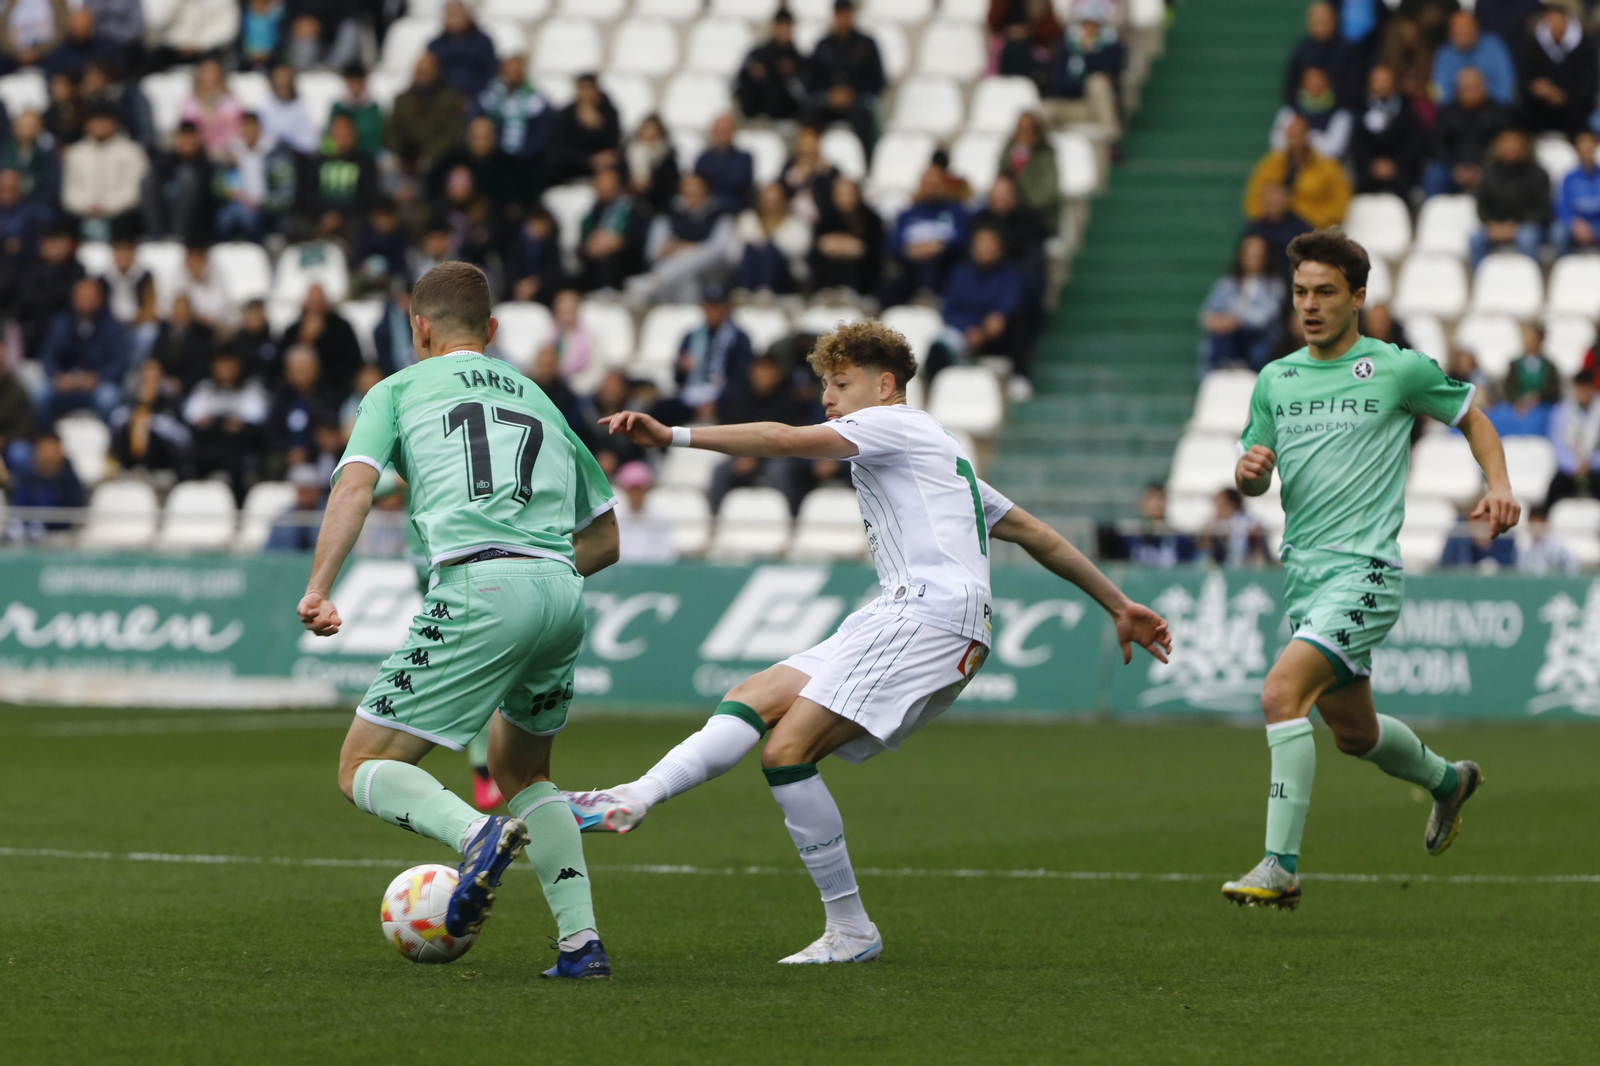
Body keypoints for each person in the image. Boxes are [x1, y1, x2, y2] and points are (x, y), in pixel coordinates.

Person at [565, 319, 1171, 963]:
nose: (828, 395)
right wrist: (1120, 603)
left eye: (842, 382)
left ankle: (850, 929)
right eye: (825, 383)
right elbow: (1035, 533)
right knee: (755, 695)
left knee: (786, 750)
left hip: (930, 616)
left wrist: (673, 435)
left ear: (886, 386)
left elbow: (780, 439)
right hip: (906, 613)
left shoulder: (893, 425)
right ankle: (634, 797)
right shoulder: (938, 451)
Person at [297, 261, 620, 979]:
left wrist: (320, 585)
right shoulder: (539, 397)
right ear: (493, 331)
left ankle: (476, 835)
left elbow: (354, 487)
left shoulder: (398, 388)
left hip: (480, 585)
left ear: (419, 328)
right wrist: (542, 573)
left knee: (362, 766)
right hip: (563, 592)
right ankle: (581, 944)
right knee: (525, 770)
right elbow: (606, 540)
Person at [1224, 229, 1517, 909]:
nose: (1311, 305)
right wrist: (1247, 472)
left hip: (1366, 572)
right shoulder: (1276, 379)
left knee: (1279, 694)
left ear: (1358, 297)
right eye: (1301, 292)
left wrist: (1498, 483)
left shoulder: (1395, 369)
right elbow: (1252, 475)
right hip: (1305, 578)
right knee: (1355, 734)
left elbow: (1474, 419)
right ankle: (1449, 781)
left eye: (1325, 292)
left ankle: (1280, 865)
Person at [33, 275, 127, 421]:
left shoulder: (113, 326)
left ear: (100, 298)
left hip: (96, 386)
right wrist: (57, 376)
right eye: (82, 297)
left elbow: (119, 363)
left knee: (109, 397)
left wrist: (98, 377)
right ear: (73, 299)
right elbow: (47, 356)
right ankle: (48, 439)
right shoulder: (61, 323)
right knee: (39, 394)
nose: (86, 302)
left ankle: (110, 442)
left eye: (91, 297)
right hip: (66, 385)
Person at [631, 172, 734, 306]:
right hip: (680, 276)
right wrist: (670, 251)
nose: (691, 191)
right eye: (687, 187)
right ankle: (688, 314)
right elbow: (653, 252)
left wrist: (685, 248)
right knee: (688, 279)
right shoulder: (667, 216)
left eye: (696, 187)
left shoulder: (721, 215)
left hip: (713, 272)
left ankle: (656, 280)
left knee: (707, 255)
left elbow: (719, 250)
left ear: (705, 189)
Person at [183, 347, 270, 494]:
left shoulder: (251, 388)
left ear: (239, 365)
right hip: (208, 448)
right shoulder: (204, 388)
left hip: (240, 451)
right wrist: (225, 424)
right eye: (221, 363)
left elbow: (252, 422)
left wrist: (215, 423)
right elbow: (194, 419)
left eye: (230, 363)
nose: (226, 368)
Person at [805, 0, 885, 158]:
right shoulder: (823, 45)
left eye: (846, 13)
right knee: (809, 112)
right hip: (828, 100)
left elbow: (878, 81)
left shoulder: (867, 44)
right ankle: (809, 160)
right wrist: (831, 93)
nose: (842, 18)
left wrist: (852, 93)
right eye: (839, 14)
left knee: (865, 116)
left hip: (858, 101)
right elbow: (812, 81)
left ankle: (868, 161)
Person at [1243, 115, 1350, 230]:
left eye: (1298, 135)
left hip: (1313, 230)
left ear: (1307, 135)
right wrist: (1271, 214)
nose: (1295, 140)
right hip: (1273, 228)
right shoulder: (1271, 163)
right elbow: (1253, 201)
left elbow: (1339, 207)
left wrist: (1305, 215)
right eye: (1291, 135)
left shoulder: (1328, 167)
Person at [1201, 234, 1287, 372]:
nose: (1254, 260)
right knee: (1219, 339)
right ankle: (1221, 372)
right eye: (1249, 255)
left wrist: (1235, 320)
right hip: (1228, 341)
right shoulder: (1226, 284)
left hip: (1258, 342)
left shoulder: (1274, 286)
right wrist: (1220, 321)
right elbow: (1206, 317)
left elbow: (1263, 320)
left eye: (1258, 256)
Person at [1423, 67, 1512, 198]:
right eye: (1465, 88)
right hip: (1454, 168)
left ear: (1484, 87)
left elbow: (1503, 146)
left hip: (1488, 168)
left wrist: (1481, 169)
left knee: (1506, 170)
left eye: (1473, 87)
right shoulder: (1447, 113)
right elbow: (1438, 145)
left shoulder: (1499, 113)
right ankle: (1433, 215)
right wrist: (1456, 168)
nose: (1469, 92)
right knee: (1435, 173)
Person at [60, 104, 145, 237]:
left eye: (104, 120)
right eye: (94, 120)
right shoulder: (75, 153)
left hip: (120, 215)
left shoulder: (132, 151)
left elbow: (135, 191)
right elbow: (68, 193)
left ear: (114, 123)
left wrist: (107, 207)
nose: (99, 125)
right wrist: (89, 207)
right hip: (82, 214)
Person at [888, 165, 970, 303]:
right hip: (911, 268)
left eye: (935, 185)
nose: (930, 189)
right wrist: (912, 250)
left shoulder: (956, 212)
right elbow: (893, 244)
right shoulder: (907, 215)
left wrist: (939, 247)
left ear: (943, 185)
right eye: (927, 185)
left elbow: (963, 239)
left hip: (945, 267)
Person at [1469, 129, 1549, 268]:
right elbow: (1482, 207)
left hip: (1525, 226)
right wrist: (1492, 225)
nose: (1510, 147)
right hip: (1495, 226)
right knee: (1475, 239)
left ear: (1524, 147)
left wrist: (1514, 227)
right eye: (1506, 143)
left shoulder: (1538, 174)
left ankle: (1533, 280)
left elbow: (1542, 209)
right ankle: (1479, 281)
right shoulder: (1488, 174)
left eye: (1514, 143)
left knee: (1527, 238)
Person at [1514, 3, 1596, 137]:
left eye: (1560, 22)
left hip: (1575, 111)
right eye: (1552, 21)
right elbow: (1524, 80)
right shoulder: (1531, 46)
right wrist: (1538, 89)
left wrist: (1562, 96)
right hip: (1539, 109)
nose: (1556, 27)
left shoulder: (1584, 47)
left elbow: (1588, 84)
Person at [676, 282, 753, 419]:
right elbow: (678, 377)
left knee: (738, 407)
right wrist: (681, 368)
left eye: (717, 306)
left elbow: (741, 377)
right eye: (709, 306)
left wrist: (717, 402)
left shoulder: (739, 338)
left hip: (724, 396)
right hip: (693, 393)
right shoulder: (691, 336)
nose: (713, 311)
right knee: (662, 408)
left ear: (726, 308)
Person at [385, 53, 466, 174]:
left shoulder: (450, 99)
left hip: (438, 160)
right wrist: (403, 153)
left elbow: (452, 133)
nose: (423, 76)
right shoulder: (401, 100)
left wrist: (428, 155)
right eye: (420, 71)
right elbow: (391, 131)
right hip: (405, 160)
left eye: (427, 71)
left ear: (436, 72)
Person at [1349, 64, 1421, 196]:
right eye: (1378, 81)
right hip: (1370, 168)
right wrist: (1373, 164)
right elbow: (1357, 144)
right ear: (1370, 84)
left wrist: (1394, 165)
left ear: (1393, 83)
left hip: (1398, 168)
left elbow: (1412, 143)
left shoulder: (1406, 109)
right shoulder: (1360, 110)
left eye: (1386, 81)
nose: (1382, 85)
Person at [732, 181, 810, 296]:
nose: (770, 206)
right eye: (766, 201)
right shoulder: (747, 220)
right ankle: (744, 292)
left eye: (775, 201)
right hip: (750, 271)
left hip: (785, 276)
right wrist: (757, 245)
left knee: (770, 249)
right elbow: (733, 254)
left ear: (784, 201)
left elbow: (801, 249)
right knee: (750, 248)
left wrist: (771, 241)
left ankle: (766, 292)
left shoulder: (796, 223)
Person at [807, 176, 881, 297]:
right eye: (840, 194)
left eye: (848, 193)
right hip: (828, 276)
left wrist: (850, 246)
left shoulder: (872, 220)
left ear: (857, 194)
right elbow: (817, 247)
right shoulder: (826, 219)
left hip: (863, 281)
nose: (844, 198)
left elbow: (873, 249)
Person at [7, 429, 83, 537]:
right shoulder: (26, 478)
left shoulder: (70, 482)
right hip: (27, 537)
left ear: (60, 451)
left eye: (52, 449)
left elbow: (75, 513)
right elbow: (18, 508)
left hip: (61, 538)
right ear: (36, 451)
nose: (48, 455)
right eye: (44, 449)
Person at [1430, 10, 1515, 106]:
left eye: (1467, 30)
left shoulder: (1494, 46)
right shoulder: (1444, 54)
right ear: (1451, 34)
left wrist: (1478, 92)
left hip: (1493, 108)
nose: (1464, 36)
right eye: (1459, 32)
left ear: (1477, 30)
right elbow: (1439, 93)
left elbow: (1507, 87)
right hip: (1456, 111)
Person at [1283, 2, 1357, 109]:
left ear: (1334, 21)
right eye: (1317, 21)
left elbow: (1352, 87)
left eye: (1325, 21)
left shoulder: (1346, 50)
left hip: (1338, 109)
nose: (1321, 26)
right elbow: (1289, 88)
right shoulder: (1301, 50)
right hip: (1303, 109)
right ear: (1309, 23)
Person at [551, 74, 620, 187]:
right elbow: (559, 147)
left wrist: (599, 127)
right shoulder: (566, 114)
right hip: (569, 168)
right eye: (582, 88)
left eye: (589, 87)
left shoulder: (609, 113)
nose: (586, 93)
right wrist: (589, 160)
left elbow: (612, 146)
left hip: (600, 169)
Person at [737, 10, 806, 122]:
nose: (784, 30)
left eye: (787, 25)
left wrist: (791, 76)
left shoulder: (799, 59)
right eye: (780, 25)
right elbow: (741, 80)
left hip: (789, 115)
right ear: (774, 27)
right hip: (759, 113)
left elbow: (803, 91)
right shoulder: (758, 55)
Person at [1271, 66, 1352, 160]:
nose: (1315, 83)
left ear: (1328, 82)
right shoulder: (1289, 112)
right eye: (1310, 79)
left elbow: (1334, 149)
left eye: (1319, 79)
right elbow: (1277, 144)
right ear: (1302, 83)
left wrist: (1302, 138)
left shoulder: (1341, 114)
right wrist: (1318, 138)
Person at [1488, 334, 1561, 438]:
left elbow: (1553, 390)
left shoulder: (1549, 365)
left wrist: (1538, 397)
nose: (1528, 342)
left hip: (1542, 406)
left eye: (1532, 339)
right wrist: (1518, 401)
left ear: (1540, 342)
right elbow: (1509, 388)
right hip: (1517, 406)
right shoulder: (1515, 364)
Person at [996, 111, 1060, 228]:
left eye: (1025, 130)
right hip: (1008, 213)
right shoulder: (1008, 152)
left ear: (1036, 133)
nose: (1021, 135)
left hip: (1038, 216)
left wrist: (1021, 204)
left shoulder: (1045, 156)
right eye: (1018, 129)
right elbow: (1000, 181)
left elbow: (1049, 192)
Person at [1546, 370, 1600, 504]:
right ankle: (1544, 519)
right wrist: (1573, 465)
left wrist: (1591, 464)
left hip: (1595, 468)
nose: (1582, 391)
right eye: (1579, 387)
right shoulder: (1561, 411)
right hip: (1569, 468)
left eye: (1586, 387)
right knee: (1555, 487)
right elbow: (1557, 446)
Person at [427, 1, 497, 102]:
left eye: (455, 15)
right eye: (449, 15)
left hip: (477, 98)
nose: (452, 20)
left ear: (467, 16)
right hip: (442, 100)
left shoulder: (483, 43)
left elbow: (490, 74)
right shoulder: (435, 45)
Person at [611, 459, 677, 564]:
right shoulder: (612, 517)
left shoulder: (661, 517)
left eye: (640, 488)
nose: (636, 493)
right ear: (623, 489)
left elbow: (665, 553)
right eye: (631, 488)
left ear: (648, 489)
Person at [1245, 183, 1312, 280]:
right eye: (1269, 201)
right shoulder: (1255, 229)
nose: (1273, 203)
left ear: (1287, 200)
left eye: (1276, 200)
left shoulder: (1301, 228)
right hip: (1263, 284)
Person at [695, 114, 754, 213]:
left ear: (733, 133)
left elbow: (741, 184)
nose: (722, 136)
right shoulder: (703, 158)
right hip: (708, 211)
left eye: (725, 131)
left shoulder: (744, 158)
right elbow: (699, 186)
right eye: (718, 132)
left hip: (737, 209)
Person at [1554, 129, 1600, 257]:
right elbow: (1562, 207)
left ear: (1595, 145)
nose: (1586, 147)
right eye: (1582, 143)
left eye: (1589, 142)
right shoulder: (1569, 177)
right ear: (1576, 147)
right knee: (1558, 233)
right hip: (1575, 224)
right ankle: (1562, 270)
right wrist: (1574, 223)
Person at [1197, 487, 1270, 567]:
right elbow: (1203, 548)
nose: (1217, 506)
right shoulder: (1214, 523)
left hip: (1245, 566)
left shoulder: (1248, 521)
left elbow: (1259, 544)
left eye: (1220, 502)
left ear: (1231, 504)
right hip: (1223, 565)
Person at [623, 114, 679, 214]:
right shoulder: (628, 151)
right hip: (629, 204)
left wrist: (650, 185)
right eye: (646, 128)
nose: (649, 132)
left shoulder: (667, 156)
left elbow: (671, 184)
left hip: (657, 206)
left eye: (653, 128)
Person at [1517, 505, 1579, 576]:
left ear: (1545, 522)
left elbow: (1572, 568)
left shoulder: (1558, 546)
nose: (1536, 526)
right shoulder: (1523, 547)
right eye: (1533, 521)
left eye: (1539, 521)